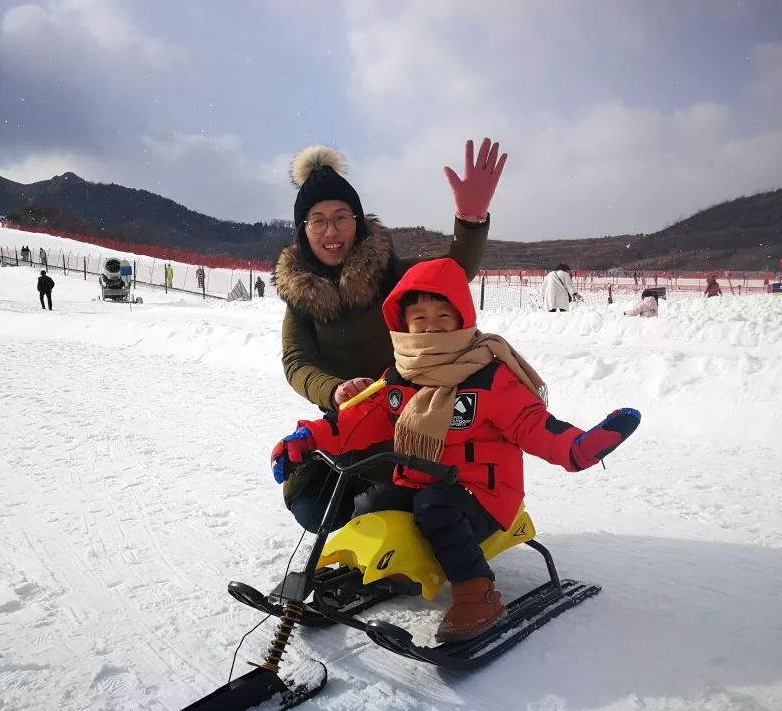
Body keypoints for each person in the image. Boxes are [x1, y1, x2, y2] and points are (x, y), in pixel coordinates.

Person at [270, 258, 639, 640]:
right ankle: (362, 568)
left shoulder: (488, 376)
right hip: (421, 483)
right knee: (370, 502)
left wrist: (577, 448)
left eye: (443, 315)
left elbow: (532, 424)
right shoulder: (400, 375)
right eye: (419, 317)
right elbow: (357, 418)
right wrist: (309, 439)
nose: (430, 326)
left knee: (436, 508)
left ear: (462, 317)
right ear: (402, 322)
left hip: (482, 493)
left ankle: (477, 593)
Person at [273, 138, 506, 531]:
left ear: (358, 222)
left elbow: (453, 272)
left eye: (342, 216)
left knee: (400, 512)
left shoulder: (392, 274)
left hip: (412, 422)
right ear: (304, 230)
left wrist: (471, 221)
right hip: (351, 425)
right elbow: (296, 361)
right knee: (316, 511)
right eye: (318, 220)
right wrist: (333, 390)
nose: (332, 230)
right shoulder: (301, 297)